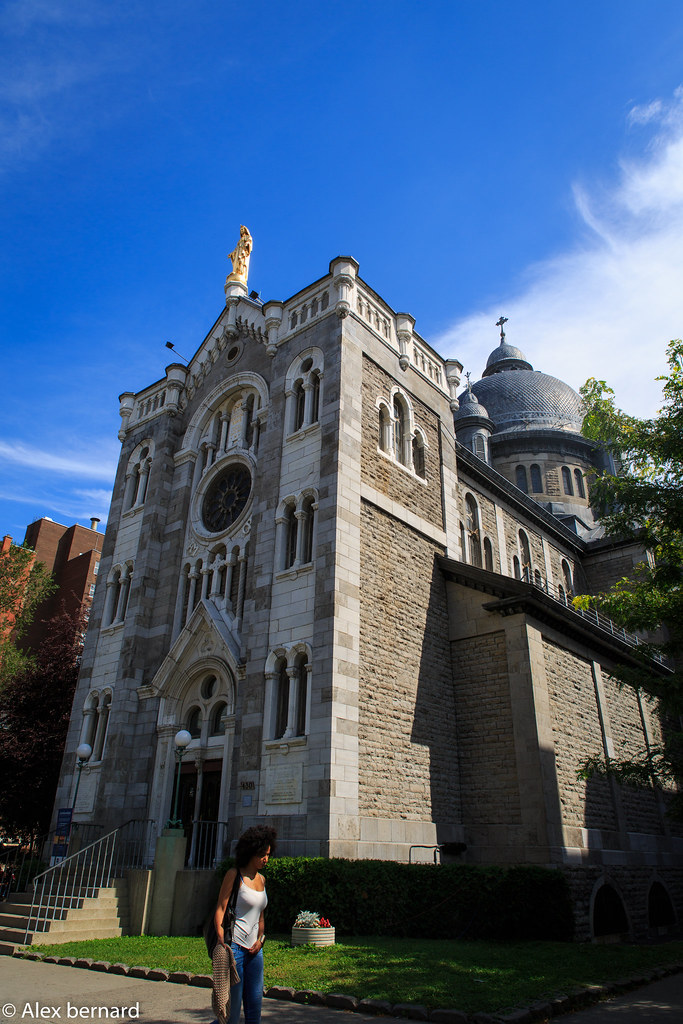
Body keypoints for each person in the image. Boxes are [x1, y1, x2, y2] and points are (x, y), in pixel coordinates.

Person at [211, 824, 277, 1024]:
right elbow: (220, 909)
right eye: (263, 855)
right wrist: (222, 941)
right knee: (231, 1013)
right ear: (251, 853)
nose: (266, 859)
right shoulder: (234, 875)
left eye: (268, 854)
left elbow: (261, 917)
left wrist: (261, 940)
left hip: (255, 952)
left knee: (254, 1009)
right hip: (235, 950)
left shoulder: (262, 880)